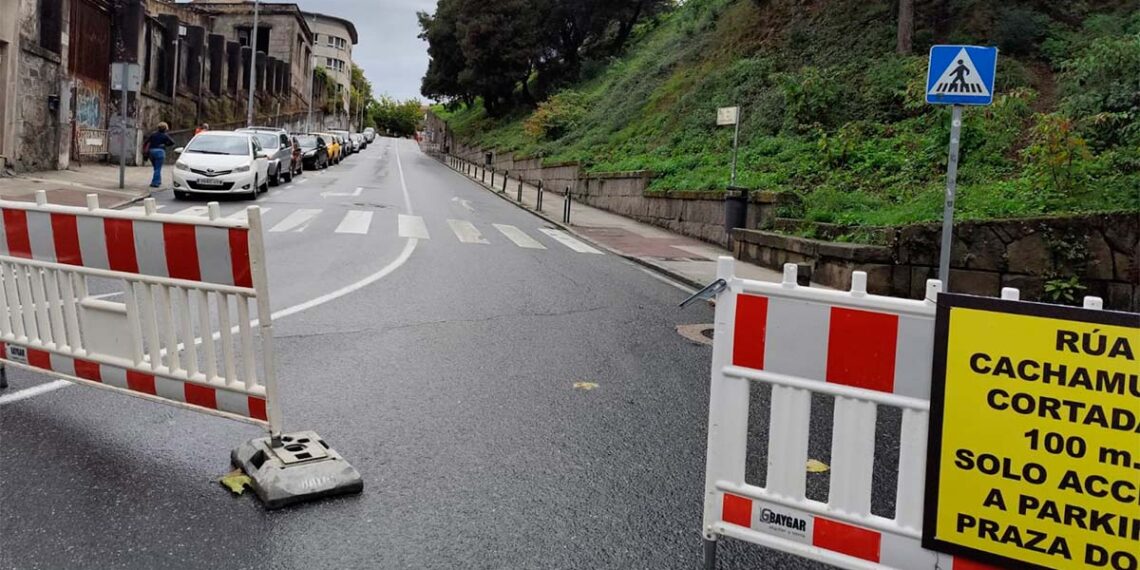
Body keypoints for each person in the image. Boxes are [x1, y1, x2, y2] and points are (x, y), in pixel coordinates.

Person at [144, 122, 176, 188]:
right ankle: (155, 183)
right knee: (158, 168)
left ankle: (158, 181)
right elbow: (172, 142)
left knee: (156, 168)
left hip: (151, 152)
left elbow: (146, 142)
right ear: (165, 128)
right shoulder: (165, 135)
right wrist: (165, 144)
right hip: (160, 152)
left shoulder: (153, 134)